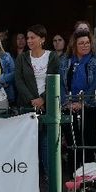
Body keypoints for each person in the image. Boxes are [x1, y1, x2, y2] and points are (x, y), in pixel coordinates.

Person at [15, 24, 60, 176]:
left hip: (48, 106)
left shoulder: (52, 56)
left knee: (47, 144)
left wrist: (43, 99)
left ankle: (49, 175)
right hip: (28, 106)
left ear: (42, 39)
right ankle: (30, 177)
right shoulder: (22, 58)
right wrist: (33, 100)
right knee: (29, 143)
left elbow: (56, 78)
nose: (29, 40)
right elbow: (19, 80)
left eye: (32, 37)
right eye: (28, 38)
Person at [60, 29, 96, 167]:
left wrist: (82, 102)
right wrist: (67, 102)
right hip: (69, 106)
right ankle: (75, 171)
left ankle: (91, 170)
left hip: (91, 105)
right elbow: (61, 84)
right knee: (72, 140)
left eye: (87, 42)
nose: (85, 45)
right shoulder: (65, 61)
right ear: (74, 45)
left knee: (89, 139)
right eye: (81, 43)